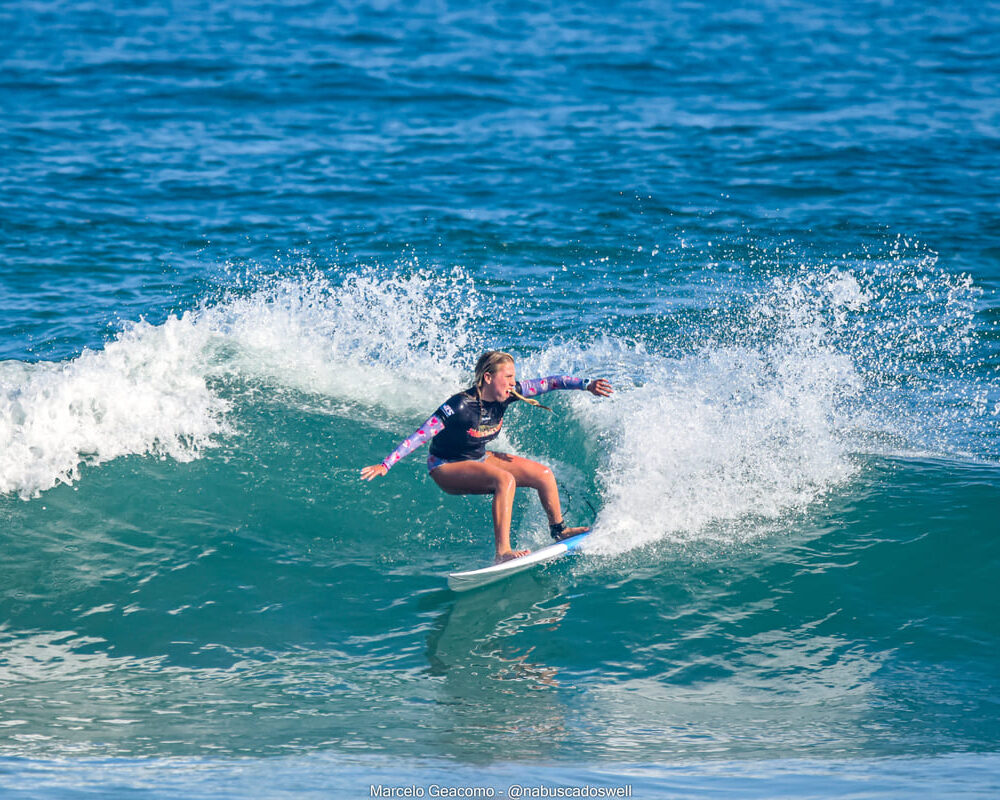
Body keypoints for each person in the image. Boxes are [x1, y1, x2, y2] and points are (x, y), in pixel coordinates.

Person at [361, 351, 613, 563]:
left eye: (515, 377)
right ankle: (502, 552)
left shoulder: (508, 396)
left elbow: (550, 383)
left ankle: (560, 531)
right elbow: (421, 434)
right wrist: (386, 464)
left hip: (478, 457)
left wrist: (586, 384)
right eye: (509, 377)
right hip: (446, 466)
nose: (514, 383)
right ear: (488, 377)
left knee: (543, 474)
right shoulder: (460, 406)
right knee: (505, 480)